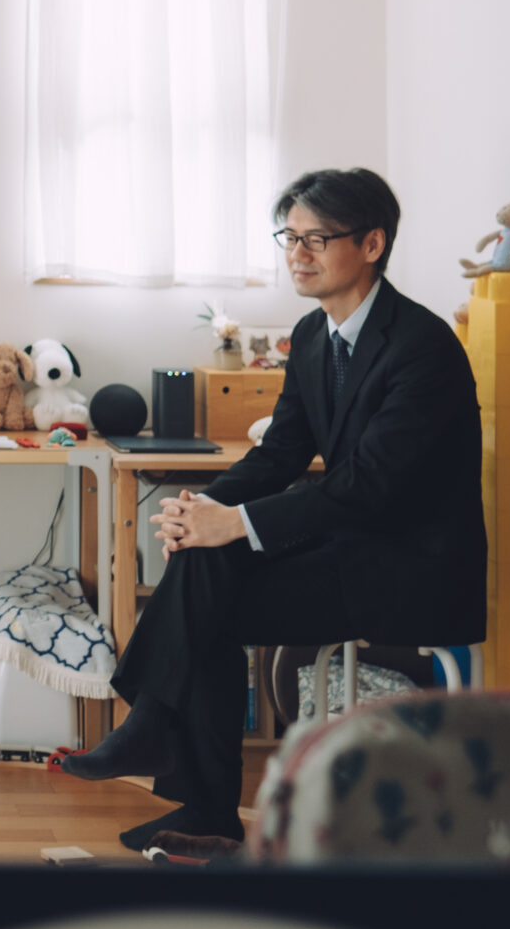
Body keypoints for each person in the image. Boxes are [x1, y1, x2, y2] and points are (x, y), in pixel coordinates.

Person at [60, 168, 487, 850]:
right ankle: (188, 789)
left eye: (317, 237)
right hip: (348, 549)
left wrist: (234, 523)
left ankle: (161, 744)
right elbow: (281, 453)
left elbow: (369, 485)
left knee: (213, 582)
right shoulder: (314, 336)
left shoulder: (423, 347)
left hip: (409, 568)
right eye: (290, 235)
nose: (297, 252)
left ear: (372, 243)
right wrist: (203, 506)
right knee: (206, 564)